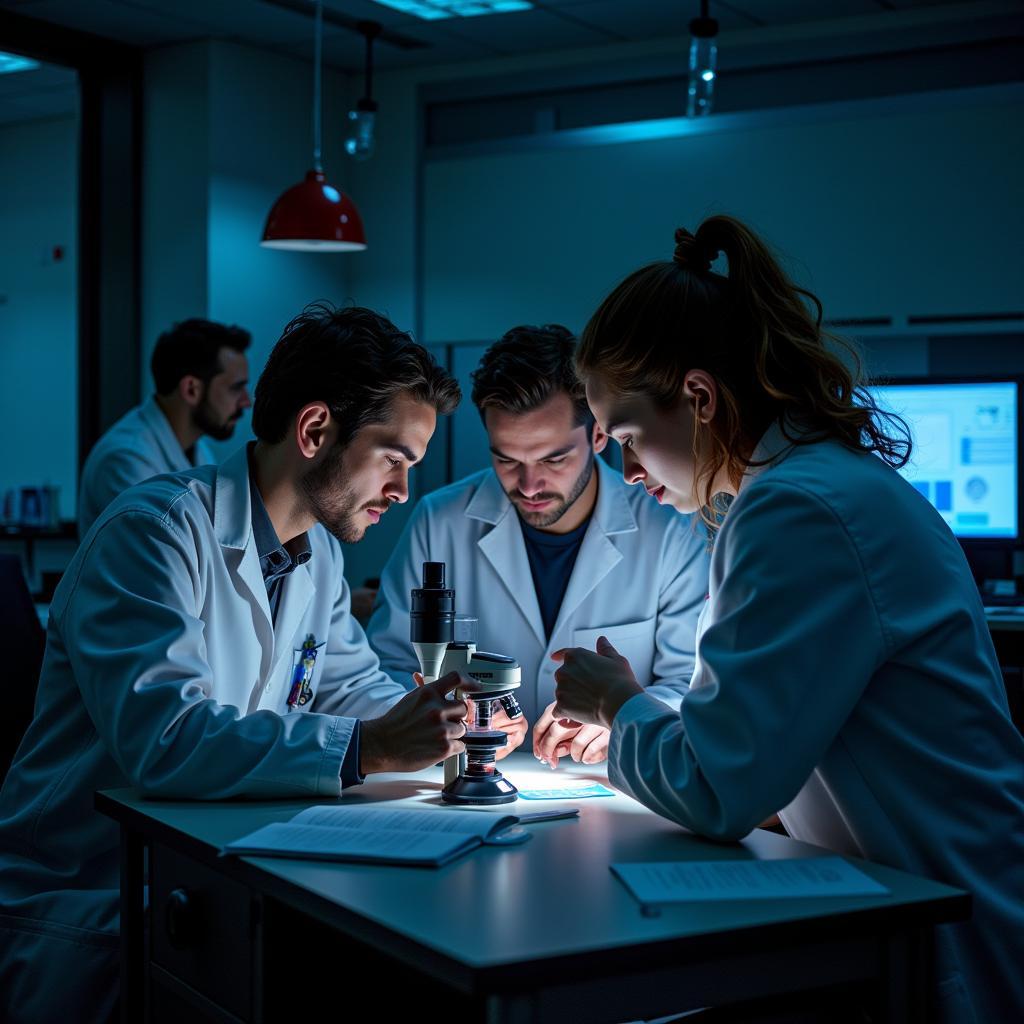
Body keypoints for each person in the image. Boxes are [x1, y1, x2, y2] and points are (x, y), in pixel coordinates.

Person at [548, 215, 1024, 1021]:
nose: (625, 472)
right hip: (898, 904)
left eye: (627, 437)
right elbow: (767, 755)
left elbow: (719, 790)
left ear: (698, 397)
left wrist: (614, 702)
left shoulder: (798, 511)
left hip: (941, 943)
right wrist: (634, 743)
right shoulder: (819, 487)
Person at [0, 304, 486, 1024]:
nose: (402, 492)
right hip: (89, 905)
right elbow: (162, 739)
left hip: (210, 874)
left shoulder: (316, 550)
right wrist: (375, 747)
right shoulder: (154, 533)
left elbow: (346, 685)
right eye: (394, 459)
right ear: (315, 430)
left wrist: (440, 719)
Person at [368, 324, 709, 764]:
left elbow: (690, 682)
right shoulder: (439, 522)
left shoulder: (668, 529)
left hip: (607, 783)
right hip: (461, 774)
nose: (529, 485)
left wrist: (622, 713)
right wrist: (446, 713)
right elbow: (387, 666)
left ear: (599, 436)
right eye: (507, 460)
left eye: (554, 459)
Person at [77, 317, 253, 536]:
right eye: (236, 389)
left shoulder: (199, 452)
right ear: (191, 389)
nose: (247, 402)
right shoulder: (126, 458)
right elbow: (161, 544)